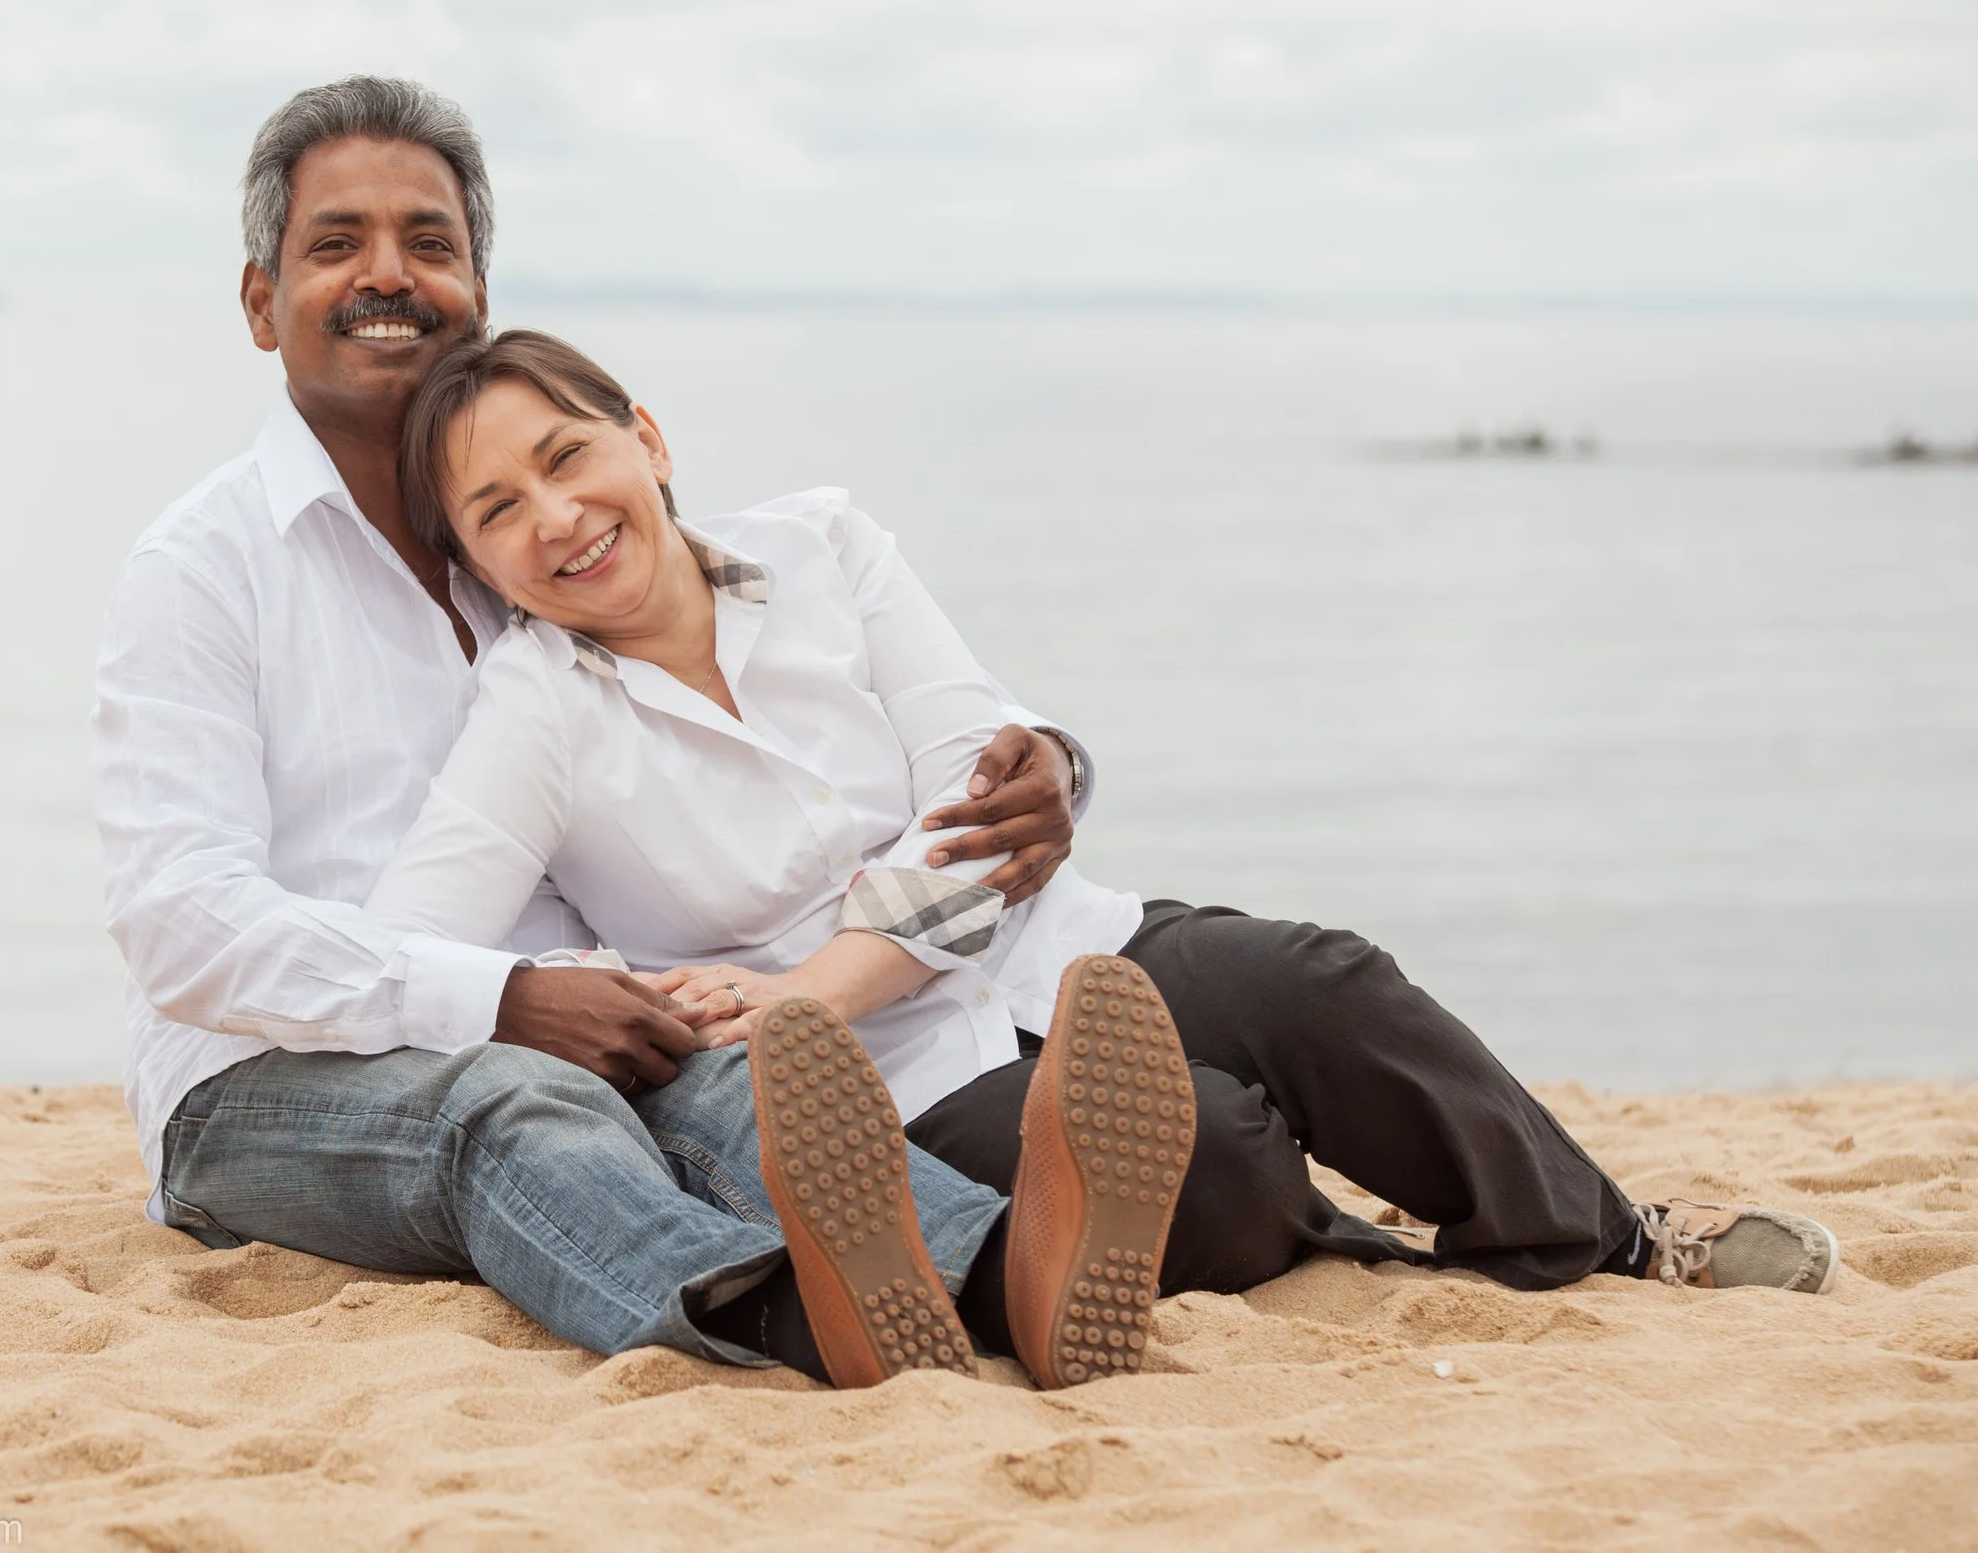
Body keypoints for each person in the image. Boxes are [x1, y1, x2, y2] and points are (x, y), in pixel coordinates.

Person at [360, 323, 1845, 1365]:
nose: (556, 515)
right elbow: (412, 949)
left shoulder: (826, 547)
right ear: (477, 564)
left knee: (1328, 982)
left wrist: (819, 976)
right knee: (1221, 1150)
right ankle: (1363, 1249)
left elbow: (978, 788)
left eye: (568, 455)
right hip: (905, 1087)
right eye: (497, 509)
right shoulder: (532, 714)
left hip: (1060, 944)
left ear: (648, 437)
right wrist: (602, 988)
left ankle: (1606, 1238)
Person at [93, 75, 1100, 1389]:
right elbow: (177, 917)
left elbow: (747, 683)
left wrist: (1044, 750)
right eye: (337, 242)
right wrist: (501, 997)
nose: (388, 274)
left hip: (570, 1018)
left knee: (750, 1090)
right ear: (258, 302)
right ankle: (793, 1322)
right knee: (514, 1108)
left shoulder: (529, 546)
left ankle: (1005, 1280)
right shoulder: (202, 567)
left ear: (477, 293)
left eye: (432, 243)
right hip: (267, 1079)